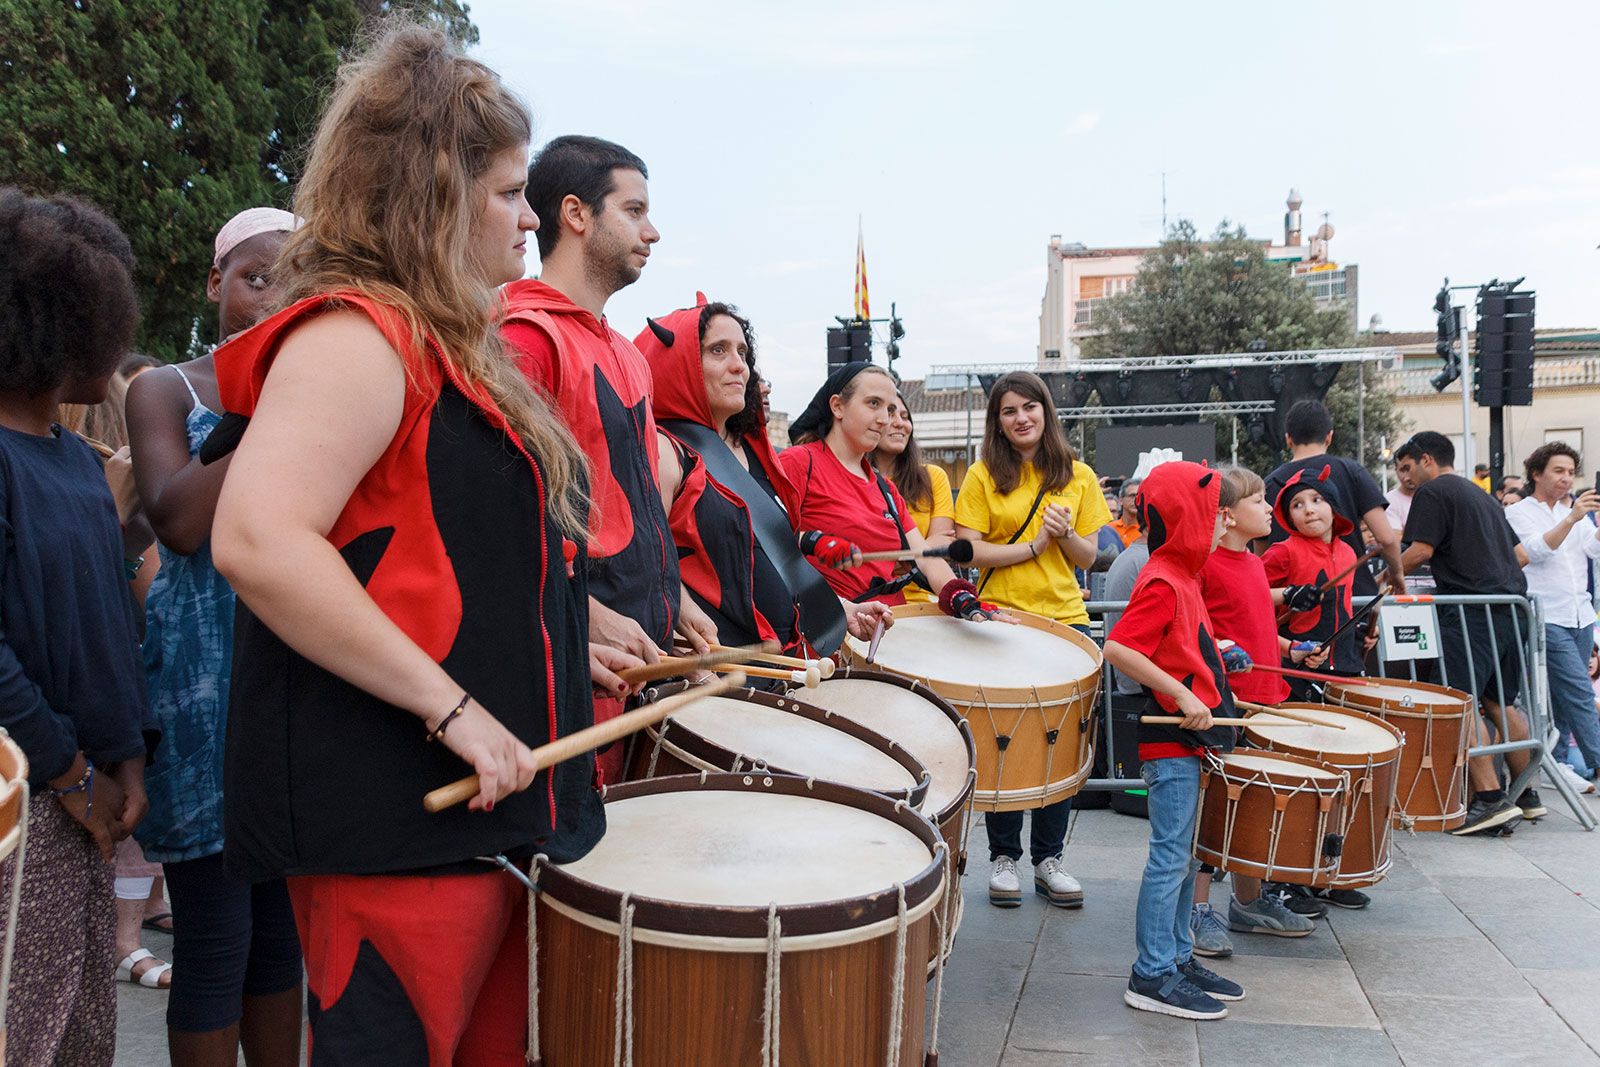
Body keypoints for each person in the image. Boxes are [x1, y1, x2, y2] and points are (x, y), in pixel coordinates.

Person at [207, 26, 638, 1061]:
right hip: (393, 819)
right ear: (432, 193)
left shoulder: (445, 344)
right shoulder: (357, 335)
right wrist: (453, 708)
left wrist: (564, 629)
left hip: (478, 819)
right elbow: (259, 540)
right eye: (508, 193)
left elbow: (443, 550)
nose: (528, 218)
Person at [126, 207, 306, 1064]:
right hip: (203, 690)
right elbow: (180, 522)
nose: (272, 299)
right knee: (215, 937)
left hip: (295, 681)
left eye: (293, 283)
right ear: (215, 282)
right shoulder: (166, 389)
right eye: (254, 278)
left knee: (281, 939)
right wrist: (277, 408)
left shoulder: (318, 394)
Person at [0, 187, 158, 1065]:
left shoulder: (75, 458)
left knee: (78, 1033)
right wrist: (69, 774)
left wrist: (127, 757)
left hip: (85, 799)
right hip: (27, 803)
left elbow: (101, 628)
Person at [501, 135, 714, 781]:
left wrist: (673, 597)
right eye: (634, 210)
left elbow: (636, 507)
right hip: (575, 674)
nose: (652, 231)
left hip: (640, 665)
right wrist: (582, 616)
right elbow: (503, 524)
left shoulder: (625, 354)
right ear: (576, 214)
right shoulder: (525, 339)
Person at [635, 295, 889, 654]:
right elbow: (645, 565)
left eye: (742, 352)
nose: (739, 366)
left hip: (781, 662)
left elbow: (772, 560)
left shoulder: (755, 451)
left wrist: (840, 608)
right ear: (678, 363)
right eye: (718, 350)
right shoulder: (665, 452)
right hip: (716, 669)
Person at [953, 372, 1111, 910]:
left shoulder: (1078, 474)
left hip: (1065, 623)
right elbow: (969, 553)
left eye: (1029, 407)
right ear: (997, 422)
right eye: (1009, 411)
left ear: (1046, 411)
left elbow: (1091, 557)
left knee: (1058, 743)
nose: (1021, 418)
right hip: (1001, 622)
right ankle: (1004, 857)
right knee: (1004, 740)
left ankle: (1049, 859)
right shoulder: (982, 474)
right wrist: (1034, 545)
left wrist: (1063, 536)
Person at [1104, 461, 1246, 1020]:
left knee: (1186, 860)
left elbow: (1178, 647)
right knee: (1170, 859)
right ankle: (1152, 972)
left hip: (1193, 743)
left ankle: (1178, 958)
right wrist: (1184, 695)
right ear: (1188, 517)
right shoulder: (1163, 578)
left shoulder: (1185, 576)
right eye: (1216, 512)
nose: (1224, 522)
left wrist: (1219, 658)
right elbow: (1120, 648)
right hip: (1170, 746)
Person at [1189, 467, 1318, 957]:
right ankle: (1197, 907)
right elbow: (1199, 627)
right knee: (1215, 809)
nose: (1269, 509)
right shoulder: (1205, 564)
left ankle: (1248, 901)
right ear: (1227, 514)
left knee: (1254, 806)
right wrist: (1222, 650)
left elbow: (1256, 624)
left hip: (1266, 697)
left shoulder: (1255, 564)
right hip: (1226, 705)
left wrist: (1290, 648)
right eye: (1260, 500)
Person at [1395, 432, 1541, 835]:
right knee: (1500, 702)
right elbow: (1521, 556)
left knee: (1458, 704)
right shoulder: (1483, 497)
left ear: (1427, 459)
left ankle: (1490, 801)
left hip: (1471, 614)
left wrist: (1387, 576)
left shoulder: (1433, 491)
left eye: (1407, 467)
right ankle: (1526, 796)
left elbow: (1421, 551)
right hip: (1509, 610)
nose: (1406, 477)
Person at [779, 362, 990, 618]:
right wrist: (814, 541)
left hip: (892, 623)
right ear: (837, 406)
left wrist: (963, 599)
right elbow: (762, 538)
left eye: (889, 409)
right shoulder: (799, 462)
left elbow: (924, 556)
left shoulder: (885, 488)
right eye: (873, 403)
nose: (884, 419)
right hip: (832, 627)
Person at [1504, 442, 1600, 793]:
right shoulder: (1519, 512)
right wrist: (1572, 518)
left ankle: (1559, 763)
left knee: (1565, 697)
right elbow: (1533, 551)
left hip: (1580, 613)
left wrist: (1588, 522)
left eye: (1571, 472)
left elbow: (1592, 548)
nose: (1566, 478)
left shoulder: (1572, 511)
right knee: (1578, 691)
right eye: (1559, 471)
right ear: (1536, 473)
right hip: (1546, 614)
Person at [1264, 399, 1405, 600]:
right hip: (1353, 595)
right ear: (1329, 436)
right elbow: (1386, 538)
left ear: (1288, 439)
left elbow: (1262, 550)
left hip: (1291, 600)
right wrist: (1397, 573)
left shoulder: (1270, 483)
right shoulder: (1351, 471)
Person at [1262, 466, 1362, 690]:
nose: (1309, 510)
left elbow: (1343, 604)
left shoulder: (1348, 552)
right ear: (1289, 519)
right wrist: (1288, 595)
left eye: (1317, 500)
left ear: (1333, 507)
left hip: (1344, 665)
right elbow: (1248, 598)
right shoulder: (1283, 552)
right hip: (1296, 668)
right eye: (1297, 505)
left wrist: (1357, 630)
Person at [874, 391, 955, 604]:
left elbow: (942, 548)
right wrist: (921, 550)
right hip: (870, 605)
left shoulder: (933, 477)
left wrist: (888, 559)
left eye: (905, 416)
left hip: (925, 602)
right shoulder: (853, 481)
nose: (900, 423)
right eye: (890, 414)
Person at [1108, 478, 1143, 546]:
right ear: (1121, 500)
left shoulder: (1146, 531)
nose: (1136, 499)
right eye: (1132, 496)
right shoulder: (1109, 528)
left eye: (1140, 496)